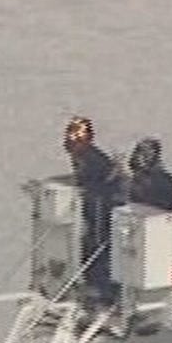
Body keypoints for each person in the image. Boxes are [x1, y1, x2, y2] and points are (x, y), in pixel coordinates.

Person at [62, 115, 122, 307]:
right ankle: (100, 285)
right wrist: (115, 170)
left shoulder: (84, 154)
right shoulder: (86, 155)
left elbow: (96, 176)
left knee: (96, 243)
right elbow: (103, 176)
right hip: (97, 202)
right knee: (98, 244)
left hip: (96, 202)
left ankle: (98, 283)